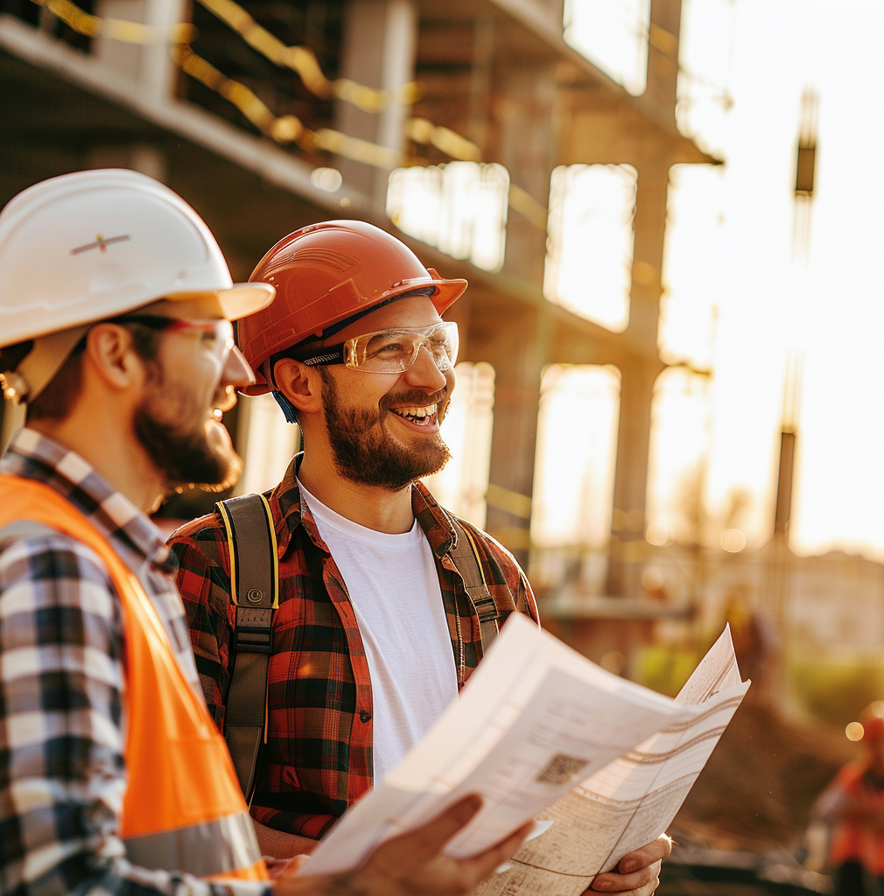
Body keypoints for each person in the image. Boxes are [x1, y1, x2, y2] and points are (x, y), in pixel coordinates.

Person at [0, 170, 528, 896]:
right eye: (209, 338)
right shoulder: (47, 563)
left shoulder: (106, 563)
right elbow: (52, 884)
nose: (235, 368)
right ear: (116, 354)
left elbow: (173, 840)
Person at [168, 220, 671, 895]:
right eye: (390, 349)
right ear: (300, 382)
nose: (432, 376)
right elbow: (170, 824)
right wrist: (371, 873)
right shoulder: (211, 569)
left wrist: (593, 862)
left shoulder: (493, 581)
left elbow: (521, 813)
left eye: (439, 343)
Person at [809, 702, 884, 896]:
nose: (877, 748)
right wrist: (861, 813)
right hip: (848, 867)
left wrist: (868, 815)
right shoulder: (852, 776)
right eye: (873, 742)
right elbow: (824, 810)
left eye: (882, 741)